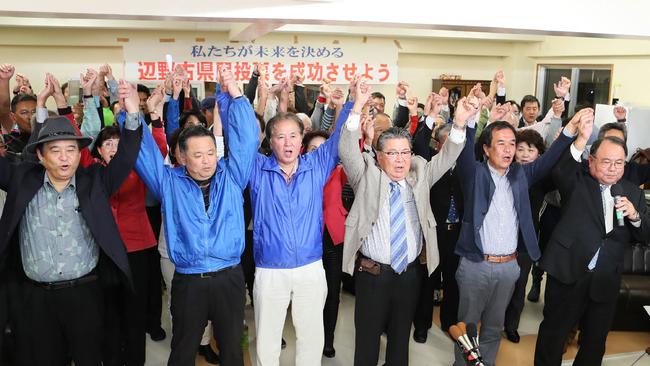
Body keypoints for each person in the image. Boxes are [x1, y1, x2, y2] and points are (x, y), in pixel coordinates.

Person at [0, 78, 143, 366]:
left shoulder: (94, 183)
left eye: (72, 150)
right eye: (55, 150)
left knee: (89, 357)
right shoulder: (21, 180)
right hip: (36, 297)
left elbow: (126, 157)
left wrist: (134, 114)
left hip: (85, 295)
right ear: (40, 155)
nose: (65, 158)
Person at [133, 67, 259, 366]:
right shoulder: (169, 183)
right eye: (198, 155)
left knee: (232, 349)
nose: (206, 161)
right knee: (183, 349)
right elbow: (144, 154)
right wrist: (134, 115)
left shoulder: (232, 177)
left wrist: (237, 96)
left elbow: (248, 141)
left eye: (211, 153)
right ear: (181, 157)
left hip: (229, 276)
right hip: (189, 280)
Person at [340, 84, 472, 365]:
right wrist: (355, 106)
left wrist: (459, 122)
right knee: (367, 342)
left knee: (400, 341)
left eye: (405, 152)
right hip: (373, 274)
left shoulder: (421, 172)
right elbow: (347, 151)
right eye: (392, 153)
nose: (400, 160)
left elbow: (448, 155)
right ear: (379, 155)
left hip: (409, 274)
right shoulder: (366, 175)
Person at [453, 103, 582, 366]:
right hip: (476, 264)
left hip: (509, 266)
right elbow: (464, 153)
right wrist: (464, 123)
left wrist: (570, 129)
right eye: (501, 144)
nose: (509, 149)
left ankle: (485, 364)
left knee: (492, 327)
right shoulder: (474, 174)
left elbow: (549, 158)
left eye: (512, 143)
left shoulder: (522, 175)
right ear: (486, 149)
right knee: (467, 328)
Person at [248, 73, 356, 366]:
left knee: (311, 337)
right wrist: (237, 95)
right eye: (280, 136)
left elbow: (339, 139)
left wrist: (347, 105)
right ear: (270, 141)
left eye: (293, 136)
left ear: (301, 139)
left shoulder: (316, 165)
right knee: (268, 340)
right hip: (270, 268)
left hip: (310, 266)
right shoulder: (257, 168)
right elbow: (243, 138)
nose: (287, 143)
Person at [535, 123, 650, 365]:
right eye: (606, 162)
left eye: (619, 163)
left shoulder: (632, 192)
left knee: (595, 342)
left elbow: (643, 235)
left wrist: (635, 217)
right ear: (591, 161)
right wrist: (579, 138)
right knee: (554, 336)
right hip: (569, 273)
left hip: (606, 279)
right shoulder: (576, 183)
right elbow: (562, 169)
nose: (612, 168)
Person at [502, 129, 548, 343]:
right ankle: (492, 321)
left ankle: (511, 325)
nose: (524, 154)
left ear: (539, 154)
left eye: (530, 150)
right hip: (500, 239)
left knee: (519, 286)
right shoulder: (503, 171)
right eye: (520, 149)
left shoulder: (542, 179)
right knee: (498, 284)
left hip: (524, 243)